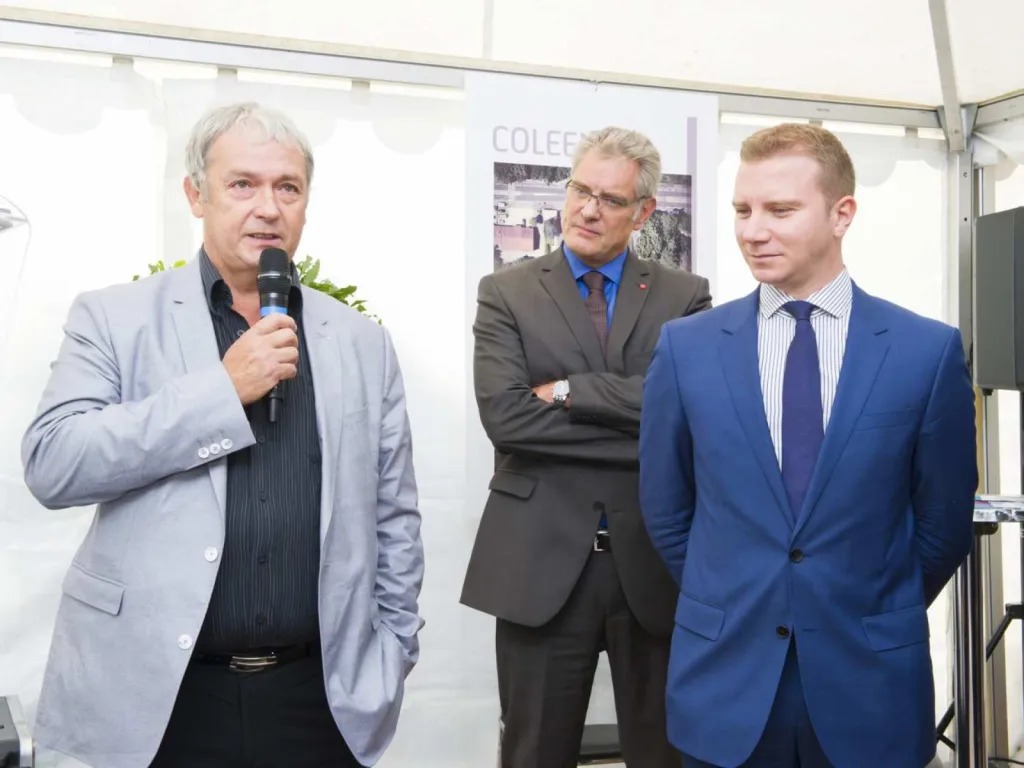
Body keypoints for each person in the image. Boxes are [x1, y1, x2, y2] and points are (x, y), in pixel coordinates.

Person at [21, 101, 423, 768]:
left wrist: (395, 648)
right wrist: (221, 391)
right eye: (243, 184)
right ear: (195, 195)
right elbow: (53, 463)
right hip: (157, 700)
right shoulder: (114, 319)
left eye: (287, 188)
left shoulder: (359, 341)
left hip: (317, 697)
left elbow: (395, 515)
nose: (268, 207)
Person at [639, 123, 977, 768]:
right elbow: (665, 508)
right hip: (726, 684)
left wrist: (860, 599)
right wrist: (739, 592)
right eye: (742, 210)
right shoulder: (687, 349)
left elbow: (941, 525)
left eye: (781, 210)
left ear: (842, 213)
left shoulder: (924, 353)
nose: (752, 230)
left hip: (868, 685)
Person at [461, 126, 712, 768]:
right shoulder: (506, 292)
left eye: (610, 198)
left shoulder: (686, 296)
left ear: (644, 212)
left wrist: (575, 390)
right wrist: (640, 421)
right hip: (538, 565)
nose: (588, 209)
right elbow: (508, 420)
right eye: (579, 190)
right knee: (534, 752)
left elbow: (691, 420)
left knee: (668, 753)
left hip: (654, 565)